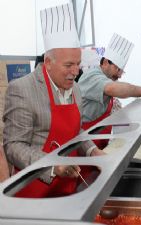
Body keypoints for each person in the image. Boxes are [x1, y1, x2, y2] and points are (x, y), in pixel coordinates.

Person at [3, 3, 103, 198]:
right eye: (69, 65)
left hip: (68, 187)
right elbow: (14, 146)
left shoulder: (75, 88)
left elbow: (77, 130)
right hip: (34, 192)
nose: (76, 72)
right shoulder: (22, 89)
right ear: (48, 63)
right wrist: (53, 165)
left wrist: (92, 151)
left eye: (78, 64)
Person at [78, 33, 141, 149]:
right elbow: (113, 89)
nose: (120, 75)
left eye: (122, 71)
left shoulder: (106, 78)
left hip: (99, 140)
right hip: (85, 143)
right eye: (118, 69)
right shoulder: (92, 77)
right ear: (105, 62)